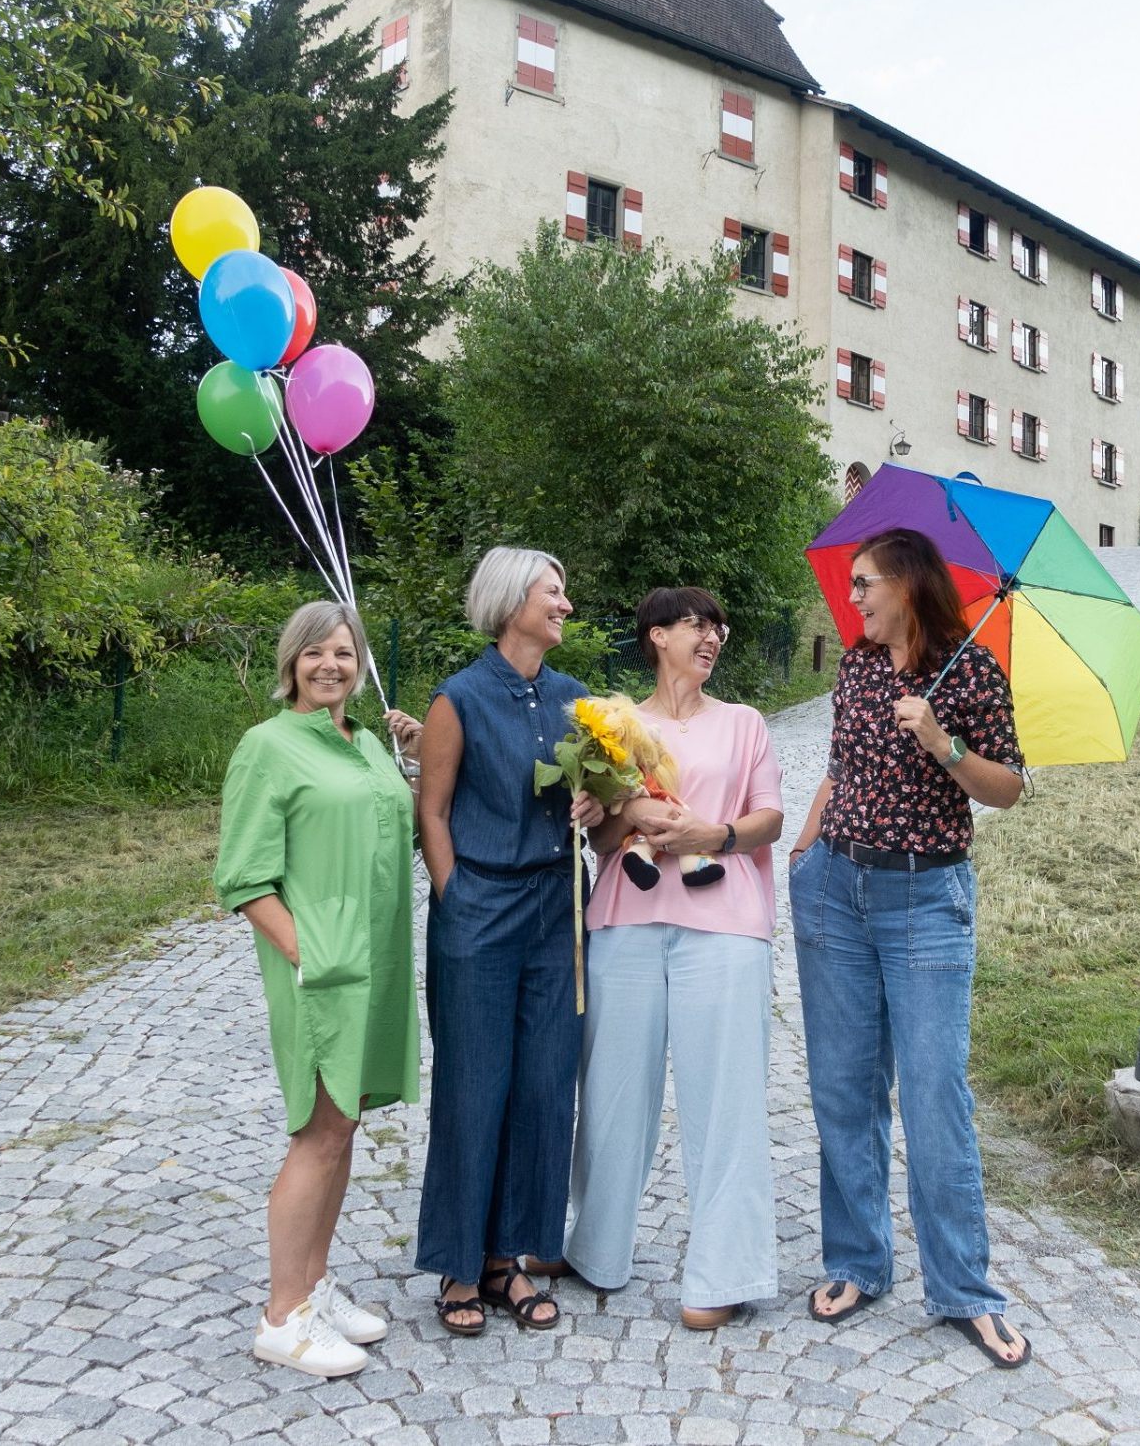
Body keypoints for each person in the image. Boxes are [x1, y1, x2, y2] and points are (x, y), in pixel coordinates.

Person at [786, 527, 1034, 1369]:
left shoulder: (968, 673)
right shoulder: (856, 665)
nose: (852, 597)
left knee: (934, 1096)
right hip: (836, 891)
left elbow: (1010, 787)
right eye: (851, 583)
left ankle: (965, 1289)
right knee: (844, 1090)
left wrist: (942, 741)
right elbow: (838, 764)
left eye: (865, 584)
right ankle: (857, 1261)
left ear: (908, 585)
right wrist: (806, 845)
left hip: (926, 898)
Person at [539, 588, 784, 1329]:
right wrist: (619, 813)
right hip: (627, 921)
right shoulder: (614, 725)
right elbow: (605, 842)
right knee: (612, 1092)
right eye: (695, 625)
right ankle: (596, 1248)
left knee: (725, 1100)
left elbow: (769, 816)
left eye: (717, 626)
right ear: (656, 636)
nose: (711, 637)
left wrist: (712, 835)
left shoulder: (745, 724)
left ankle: (724, 1273)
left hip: (726, 926)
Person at [213, 600, 424, 1378]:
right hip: (323, 966)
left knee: (346, 1126)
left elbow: (390, 830)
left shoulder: (364, 740)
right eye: (315, 653)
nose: (330, 665)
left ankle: (313, 1282)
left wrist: (411, 760)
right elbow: (242, 875)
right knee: (318, 1126)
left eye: (343, 652)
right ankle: (282, 1313)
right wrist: (307, 953)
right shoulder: (267, 747)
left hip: (377, 959)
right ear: (291, 662)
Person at [413, 548, 604, 1334]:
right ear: (509, 600)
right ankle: (460, 1265)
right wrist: (457, 894)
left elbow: (610, 805)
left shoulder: (577, 701)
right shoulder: (455, 699)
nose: (565, 601)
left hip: (560, 908)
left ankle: (511, 1261)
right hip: (481, 909)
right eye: (552, 589)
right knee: (474, 1083)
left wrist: (597, 807)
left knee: (543, 1087)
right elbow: (432, 810)